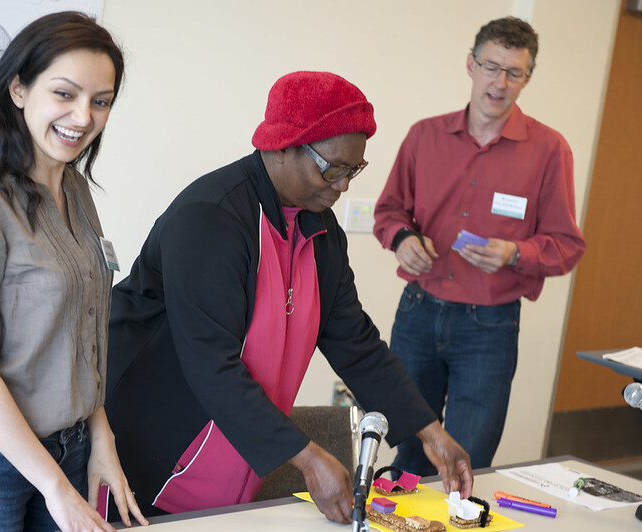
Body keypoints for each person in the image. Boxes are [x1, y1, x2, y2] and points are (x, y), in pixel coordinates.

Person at [105, 71, 473, 525]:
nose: (343, 186)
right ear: (282, 146)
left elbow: (354, 342)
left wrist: (429, 430)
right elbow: (210, 363)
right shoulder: (212, 219)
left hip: (230, 465)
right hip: (150, 457)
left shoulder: (321, 232)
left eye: (353, 170)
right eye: (334, 168)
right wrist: (309, 457)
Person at [0, 11, 148, 532]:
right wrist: (56, 489)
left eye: (101, 101)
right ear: (19, 90)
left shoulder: (76, 190)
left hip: (70, 446)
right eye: (65, 94)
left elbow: (79, 337)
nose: (84, 116)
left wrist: (100, 438)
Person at [373, 16, 586, 476]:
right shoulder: (423, 136)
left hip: (489, 326)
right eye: (492, 67)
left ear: (527, 78)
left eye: (514, 72)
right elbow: (388, 211)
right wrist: (402, 238)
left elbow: (567, 245)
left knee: (467, 462)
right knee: (408, 455)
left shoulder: (550, 150)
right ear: (470, 65)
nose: (500, 82)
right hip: (417, 312)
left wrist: (515, 253)